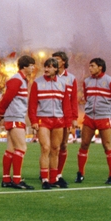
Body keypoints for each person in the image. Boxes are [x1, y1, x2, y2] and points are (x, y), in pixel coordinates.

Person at [76, 58, 111, 185]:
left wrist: (110, 112)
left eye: (92, 66)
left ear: (100, 67)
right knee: (84, 144)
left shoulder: (110, 81)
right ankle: (80, 173)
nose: (90, 68)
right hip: (90, 117)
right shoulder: (87, 81)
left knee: (107, 145)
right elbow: (86, 97)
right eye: (89, 66)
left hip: (103, 117)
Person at [28, 58, 70, 189]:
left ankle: (53, 179)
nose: (46, 69)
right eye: (45, 66)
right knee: (45, 148)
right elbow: (32, 104)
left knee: (55, 149)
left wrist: (68, 122)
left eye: (50, 67)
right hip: (43, 119)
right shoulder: (37, 83)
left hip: (58, 120)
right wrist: (34, 121)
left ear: (56, 69)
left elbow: (66, 105)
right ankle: (44, 179)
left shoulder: (62, 84)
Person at [0, 55, 35, 190]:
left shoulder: (21, 80)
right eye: (31, 65)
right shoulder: (17, 80)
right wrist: (1, 113)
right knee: (21, 147)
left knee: (11, 149)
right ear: (24, 66)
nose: (33, 68)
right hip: (15, 117)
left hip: (14, 116)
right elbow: (6, 98)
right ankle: (17, 180)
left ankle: (6, 179)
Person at [51, 51, 78, 181]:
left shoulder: (71, 78)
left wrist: (74, 118)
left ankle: (58, 173)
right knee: (50, 146)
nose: (54, 61)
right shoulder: (49, 76)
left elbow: (73, 100)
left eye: (57, 59)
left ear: (64, 61)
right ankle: (47, 171)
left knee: (63, 145)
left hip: (65, 116)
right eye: (53, 59)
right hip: (51, 114)